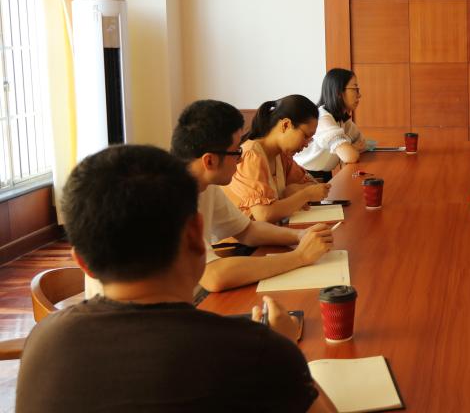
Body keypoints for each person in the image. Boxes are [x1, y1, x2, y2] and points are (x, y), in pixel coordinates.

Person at [16, 144, 337, 413]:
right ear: (197, 234)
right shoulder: (255, 350)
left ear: (82, 263)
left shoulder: (42, 343)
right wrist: (288, 351)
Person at [172, 100, 334, 292]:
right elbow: (213, 276)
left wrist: (301, 235)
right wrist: (299, 257)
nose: (240, 158)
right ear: (210, 161)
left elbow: (247, 230)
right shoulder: (170, 197)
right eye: (236, 152)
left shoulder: (207, 186)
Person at [221, 94, 330, 222]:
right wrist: (305, 195)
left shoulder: (282, 155)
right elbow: (264, 215)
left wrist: (293, 190)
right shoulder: (251, 155)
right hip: (240, 234)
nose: (306, 144)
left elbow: (313, 186)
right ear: (286, 125)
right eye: (305, 136)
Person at [296, 68, 367, 179]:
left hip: (323, 174)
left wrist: (350, 148)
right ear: (338, 92)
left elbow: (363, 143)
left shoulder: (342, 119)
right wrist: (350, 149)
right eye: (355, 89)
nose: (359, 95)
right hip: (302, 176)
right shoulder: (322, 118)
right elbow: (349, 156)